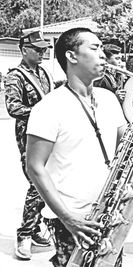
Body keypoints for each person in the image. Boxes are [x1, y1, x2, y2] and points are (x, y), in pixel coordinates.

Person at [25, 27, 126, 267]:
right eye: (94, 48)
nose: (102, 54)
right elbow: (34, 166)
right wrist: (68, 219)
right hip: (71, 219)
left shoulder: (109, 99)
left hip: (108, 214)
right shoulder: (49, 107)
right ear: (71, 56)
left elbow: (126, 147)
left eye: (102, 48)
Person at [4, 30, 53, 260]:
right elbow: (13, 108)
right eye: (38, 49)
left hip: (47, 134)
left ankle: (33, 230)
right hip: (29, 136)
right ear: (24, 50)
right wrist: (41, 112)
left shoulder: (42, 72)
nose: (43, 52)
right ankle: (24, 235)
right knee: (38, 182)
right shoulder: (16, 77)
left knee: (46, 180)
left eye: (44, 49)